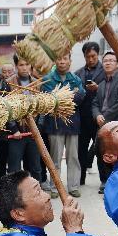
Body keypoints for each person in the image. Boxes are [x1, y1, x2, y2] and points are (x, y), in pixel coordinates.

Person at [39, 53, 85, 197]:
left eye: (65, 58)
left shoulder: (75, 78)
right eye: (59, 58)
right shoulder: (48, 79)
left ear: (70, 61)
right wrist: (70, 95)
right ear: (55, 61)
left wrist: (61, 97)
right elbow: (49, 99)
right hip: (55, 124)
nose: (62, 61)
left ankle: (73, 187)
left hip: (73, 124)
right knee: (55, 159)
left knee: (73, 157)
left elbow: (80, 97)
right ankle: (54, 188)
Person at [91, 51, 118, 191]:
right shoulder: (101, 84)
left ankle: (117, 181)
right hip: (103, 123)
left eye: (111, 60)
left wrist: (105, 117)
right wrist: (97, 115)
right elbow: (95, 103)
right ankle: (104, 180)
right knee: (101, 151)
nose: (108, 63)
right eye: (105, 60)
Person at [3, 55, 42, 180]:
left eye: (27, 64)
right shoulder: (9, 83)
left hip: (33, 132)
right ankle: (13, 196)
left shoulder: (38, 83)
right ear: (16, 66)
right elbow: (5, 108)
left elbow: (43, 107)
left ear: (31, 65)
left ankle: (36, 193)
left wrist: (38, 127)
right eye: (21, 65)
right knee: (14, 168)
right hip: (17, 133)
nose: (24, 68)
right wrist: (14, 129)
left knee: (35, 167)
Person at [74, 41, 105, 187]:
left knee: (100, 149)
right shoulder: (78, 74)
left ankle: (104, 180)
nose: (91, 59)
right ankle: (80, 179)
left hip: (99, 117)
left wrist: (98, 88)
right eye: (88, 57)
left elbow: (109, 91)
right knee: (81, 149)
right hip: (82, 117)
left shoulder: (105, 71)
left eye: (93, 56)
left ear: (98, 54)